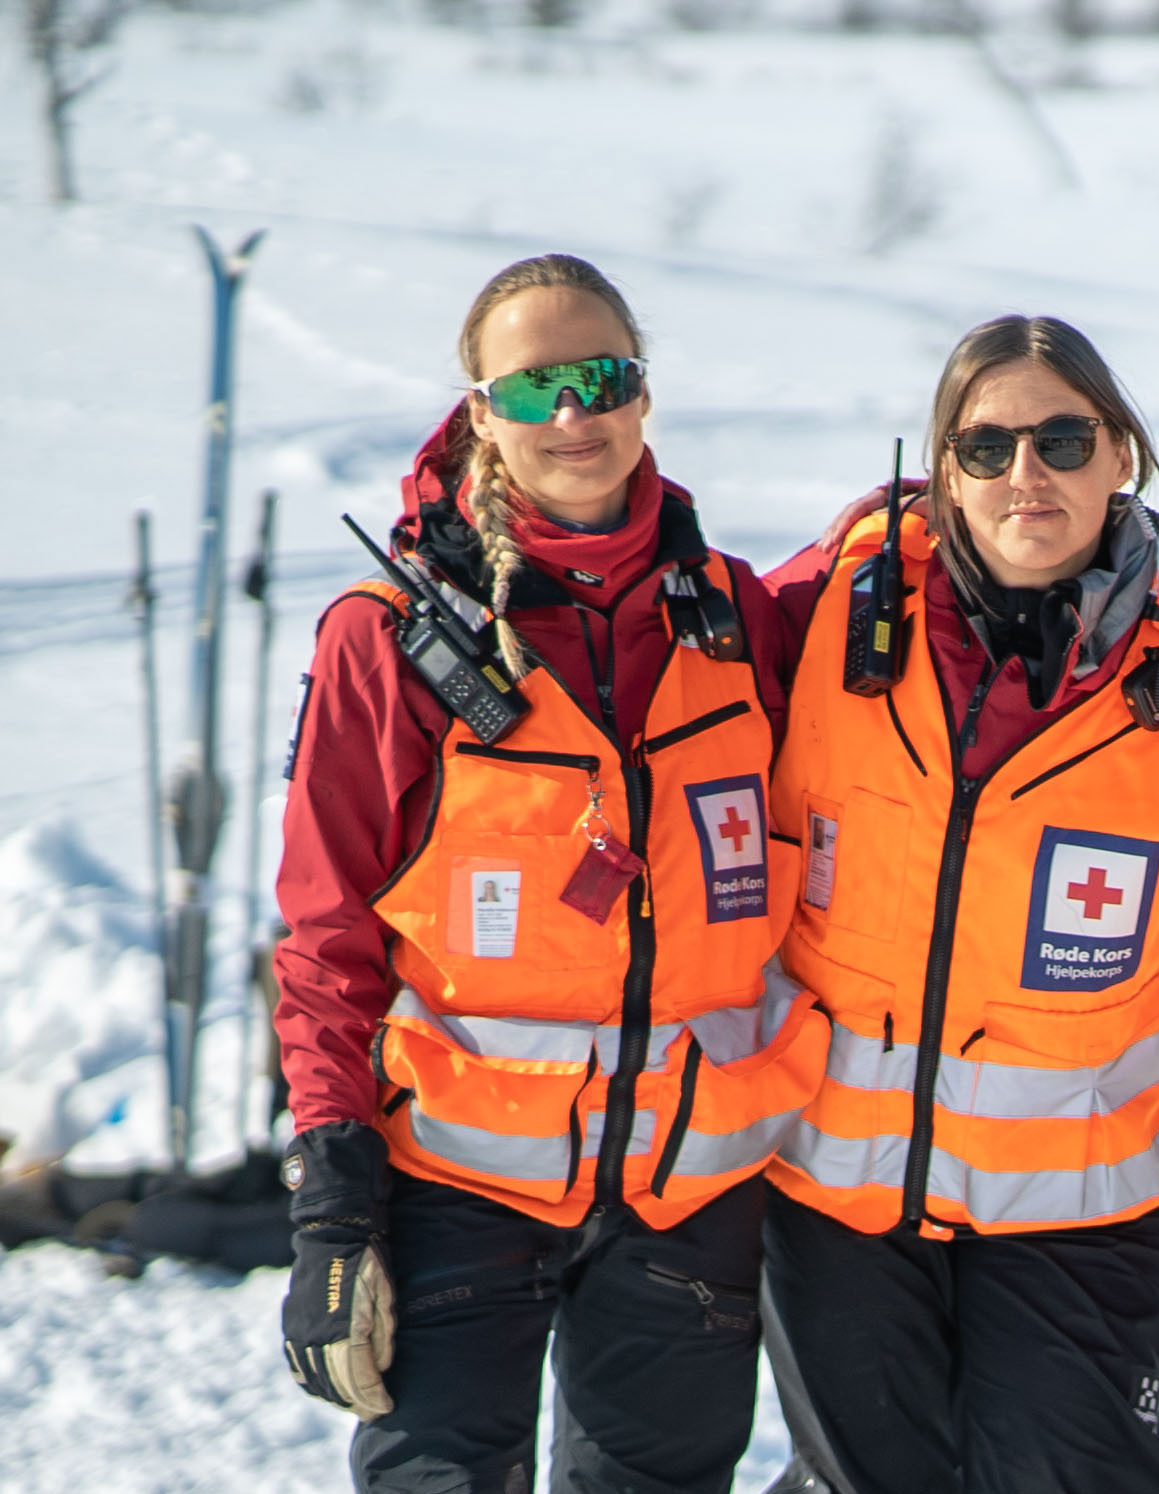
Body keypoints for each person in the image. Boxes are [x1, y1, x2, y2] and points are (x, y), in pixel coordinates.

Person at [272, 253, 814, 1491]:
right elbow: (325, 937)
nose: (573, 415)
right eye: (533, 389)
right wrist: (334, 1203)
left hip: (690, 1196)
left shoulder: (736, 616)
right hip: (458, 1191)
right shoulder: (388, 638)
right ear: (478, 412)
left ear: (642, 394)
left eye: (602, 377)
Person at [748, 313, 1159, 1493]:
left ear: (1122, 454)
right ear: (942, 470)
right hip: (841, 1204)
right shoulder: (821, 619)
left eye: (1061, 438)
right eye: (986, 449)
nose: (1024, 474)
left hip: (1085, 1212)